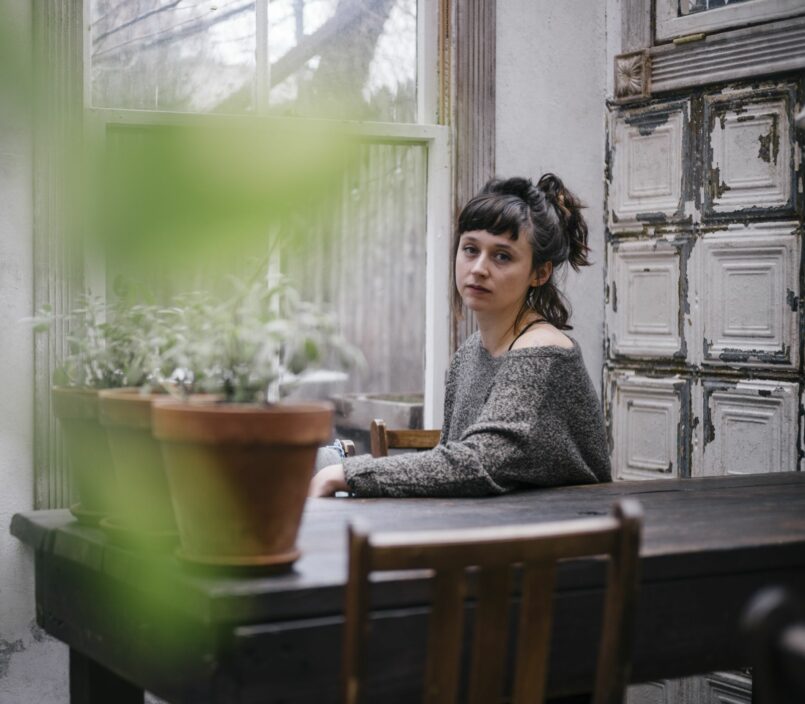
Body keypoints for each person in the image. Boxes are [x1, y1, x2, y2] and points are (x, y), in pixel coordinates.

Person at [309, 174, 611, 498]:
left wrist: (346, 473)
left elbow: (478, 463)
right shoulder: (469, 354)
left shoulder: (542, 353)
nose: (479, 268)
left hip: (568, 540)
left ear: (540, 273)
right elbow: (451, 462)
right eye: (470, 249)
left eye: (502, 256)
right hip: (500, 533)